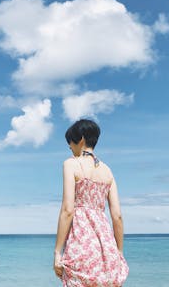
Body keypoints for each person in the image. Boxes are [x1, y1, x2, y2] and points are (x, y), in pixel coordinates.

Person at [53, 119, 129, 286]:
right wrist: (119, 252)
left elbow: (67, 209)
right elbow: (117, 216)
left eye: (70, 143)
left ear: (80, 140)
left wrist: (57, 252)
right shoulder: (108, 171)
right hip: (106, 245)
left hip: (81, 240)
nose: (69, 147)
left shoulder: (71, 164)